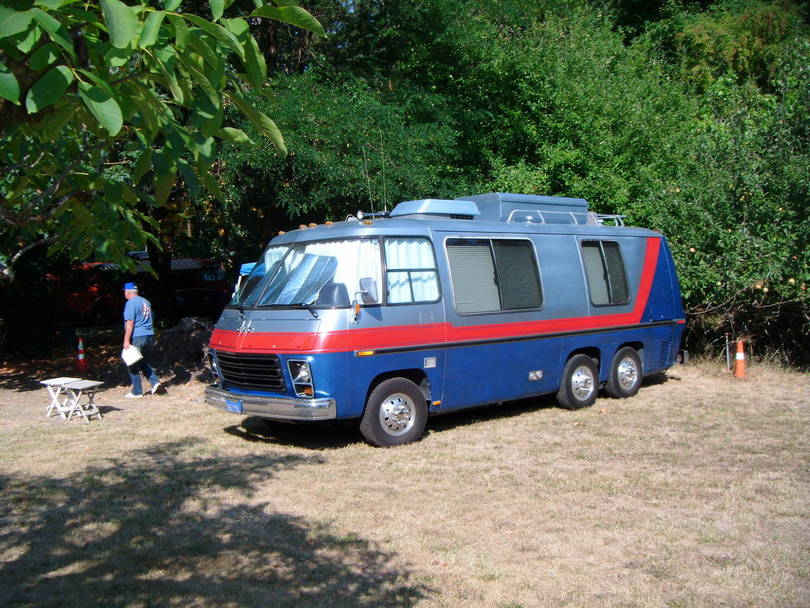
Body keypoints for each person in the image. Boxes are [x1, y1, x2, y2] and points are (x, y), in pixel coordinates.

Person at [122, 282, 161, 398]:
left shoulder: (130, 303)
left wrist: (126, 340)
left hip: (138, 335)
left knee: (132, 362)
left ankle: (137, 391)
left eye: (124, 291)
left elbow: (130, 322)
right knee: (143, 361)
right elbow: (152, 317)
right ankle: (155, 383)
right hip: (149, 334)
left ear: (127, 292)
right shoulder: (146, 302)